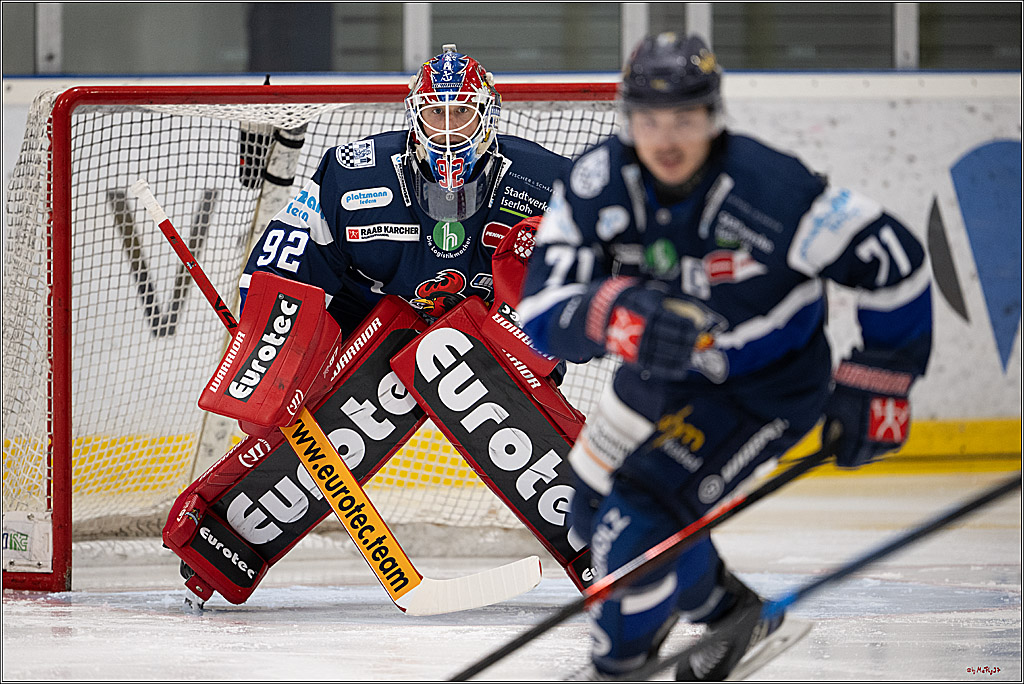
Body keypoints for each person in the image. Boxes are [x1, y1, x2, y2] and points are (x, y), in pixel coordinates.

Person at [517, 32, 932, 680]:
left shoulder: (775, 189)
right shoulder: (595, 185)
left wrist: (877, 385)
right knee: (588, 514)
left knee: (635, 529)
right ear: (628, 119)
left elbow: (893, 261)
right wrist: (616, 316)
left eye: (685, 118)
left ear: (714, 116)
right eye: (651, 120)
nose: (668, 138)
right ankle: (730, 612)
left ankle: (619, 665)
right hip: (657, 377)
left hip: (760, 389)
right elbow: (541, 313)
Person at [239, 43, 570, 334]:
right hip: (364, 349)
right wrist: (266, 338)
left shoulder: (545, 181)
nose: (448, 129)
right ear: (416, 116)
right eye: (436, 112)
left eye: (462, 112)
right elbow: (279, 274)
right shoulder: (352, 173)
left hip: (489, 351)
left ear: (487, 115)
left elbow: (579, 303)